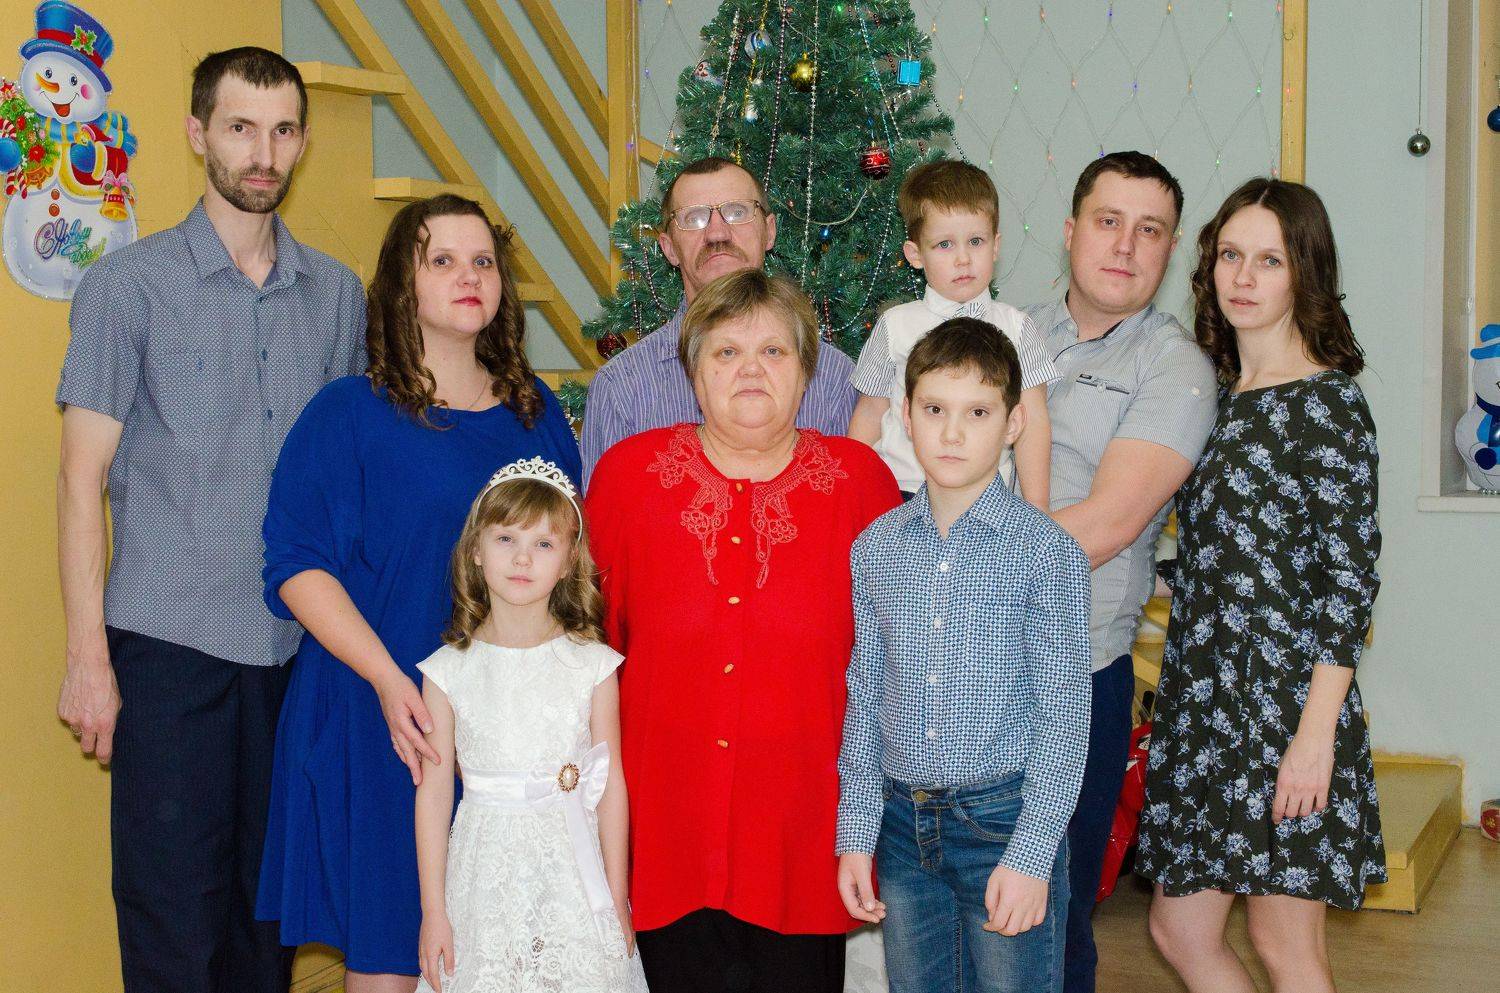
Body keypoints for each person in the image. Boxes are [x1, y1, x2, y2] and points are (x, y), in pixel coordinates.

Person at [53, 48, 365, 993]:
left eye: (282, 130)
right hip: (168, 652)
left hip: (294, 655)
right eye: (240, 128)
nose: (262, 153)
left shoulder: (337, 295)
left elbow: (343, 479)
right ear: (198, 134)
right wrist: (87, 659)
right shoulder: (127, 287)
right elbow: (79, 482)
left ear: (301, 141)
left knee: (267, 928)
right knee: (172, 923)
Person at [255, 195, 582, 991]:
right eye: (442, 260)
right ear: (404, 284)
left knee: (504, 956)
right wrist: (388, 679)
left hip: (502, 726)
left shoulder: (536, 413)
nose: (469, 276)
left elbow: (568, 562)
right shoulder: (348, 412)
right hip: (386, 719)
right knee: (397, 957)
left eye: (483, 261)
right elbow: (296, 564)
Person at [585, 269, 901, 993]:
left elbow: (895, 669)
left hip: (804, 837)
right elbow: (582, 652)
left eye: (773, 351)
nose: (750, 369)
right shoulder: (630, 477)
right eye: (726, 352)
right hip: (666, 835)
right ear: (694, 374)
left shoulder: (860, 483)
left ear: (806, 372)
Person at [1136, 177, 1385, 993]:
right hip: (1203, 700)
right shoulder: (1214, 393)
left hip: (1284, 708)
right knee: (1178, 928)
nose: (1243, 277)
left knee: (1287, 946)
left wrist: (1314, 739)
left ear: (1304, 273)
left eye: (1269, 260)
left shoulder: (1327, 403)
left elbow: (1349, 585)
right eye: (1230, 255)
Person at [836, 317, 1092, 993]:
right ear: (905, 416)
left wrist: (1033, 852)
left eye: (977, 412)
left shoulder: (1047, 552)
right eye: (935, 410)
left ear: (1013, 424)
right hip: (900, 828)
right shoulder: (876, 547)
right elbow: (865, 694)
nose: (952, 433)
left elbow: (1065, 716)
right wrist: (856, 831)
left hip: (1003, 823)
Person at [1022, 151, 1219, 993]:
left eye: (1150, 230)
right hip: (956, 667)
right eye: (1109, 222)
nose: (1126, 245)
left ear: (1170, 249)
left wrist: (953, 572)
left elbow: (1107, 525)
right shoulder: (1008, 333)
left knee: (1049, 915)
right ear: (1071, 231)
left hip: (1073, 673)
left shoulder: (1174, 368)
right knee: (954, 901)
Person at [412, 458, 647, 993]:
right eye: (506, 539)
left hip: (572, 873)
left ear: (567, 562)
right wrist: (434, 911)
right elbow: (433, 794)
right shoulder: (446, 672)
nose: (523, 558)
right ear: (476, 550)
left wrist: (616, 895)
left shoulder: (592, 665)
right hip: (483, 877)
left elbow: (609, 785)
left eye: (543, 544)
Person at [579, 155, 856, 488]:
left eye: (737, 212)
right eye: (694, 218)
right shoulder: (620, 388)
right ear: (669, 248)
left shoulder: (836, 378)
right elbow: (605, 516)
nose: (716, 233)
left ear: (769, 231)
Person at [849, 160, 1058, 508]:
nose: (963, 258)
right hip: (899, 494)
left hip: (985, 500)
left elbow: (1033, 422)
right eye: (944, 244)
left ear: (995, 246)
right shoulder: (894, 326)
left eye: (975, 241)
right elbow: (869, 415)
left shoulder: (1018, 328)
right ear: (915, 254)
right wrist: (853, 495)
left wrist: (1037, 512)